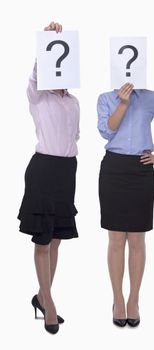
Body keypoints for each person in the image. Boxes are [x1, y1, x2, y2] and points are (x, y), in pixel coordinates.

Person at [97, 82, 154, 327]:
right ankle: (118, 299)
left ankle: (134, 299)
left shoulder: (152, 97)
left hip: (141, 169)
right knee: (115, 239)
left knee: (136, 239)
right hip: (113, 168)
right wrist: (123, 104)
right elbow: (106, 131)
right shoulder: (105, 98)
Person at [18, 22, 79, 334]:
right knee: (43, 238)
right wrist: (48, 41)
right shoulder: (38, 96)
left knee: (56, 239)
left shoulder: (73, 102)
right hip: (43, 169)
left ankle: (42, 296)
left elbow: (74, 138)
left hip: (68, 172)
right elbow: (35, 76)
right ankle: (49, 303)